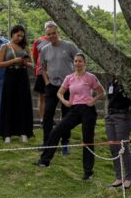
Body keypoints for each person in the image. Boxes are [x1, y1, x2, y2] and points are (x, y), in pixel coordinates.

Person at [34, 53, 103, 179]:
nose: (77, 63)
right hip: (74, 109)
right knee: (56, 131)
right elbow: (60, 93)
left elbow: (101, 92)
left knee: (87, 140)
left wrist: (93, 101)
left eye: (80, 61)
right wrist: (65, 102)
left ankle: (88, 173)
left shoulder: (90, 77)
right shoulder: (69, 78)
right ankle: (44, 161)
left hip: (87, 110)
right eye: (75, 61)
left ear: (85, 63)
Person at [39, 22, 78, 155]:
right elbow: (42, 68)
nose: (52, 36)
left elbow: (80, 61)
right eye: (49, 34)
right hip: (52, 86)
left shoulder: (69, 46)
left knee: (66, 115)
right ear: (46, 35)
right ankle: (46, 143)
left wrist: (76, 79)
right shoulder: (44, 50)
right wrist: (47, 82)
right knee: (48, 114)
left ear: (58, 32)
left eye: (54, 33)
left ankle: (65, 143)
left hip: (68, 87)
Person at [0, 24, 34, 143]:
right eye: (18, 35)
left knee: (23, 103)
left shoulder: (26, 47)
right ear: (12, 34)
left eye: (22, 36)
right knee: (9, 103)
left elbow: (32, 64)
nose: (20, 38)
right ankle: (7, 133)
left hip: (22, 76)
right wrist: (14, 61)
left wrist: (24, 62)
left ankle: (24, 132)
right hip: (10, 76)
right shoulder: (5, 46)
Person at [104, 75, 131, 189]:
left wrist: (130, 114)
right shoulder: (111, 82)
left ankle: (128, 178)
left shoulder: (128, 81)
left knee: (123, 146)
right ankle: (119, 177)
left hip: (122, 115)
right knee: (113, 147)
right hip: (110, 116)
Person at [32, 24, 51, 125]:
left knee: (52, 97)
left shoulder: (57, 40)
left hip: (54, 72)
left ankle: (49, 118)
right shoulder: (38, 41)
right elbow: (34, 56)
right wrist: (38, 66)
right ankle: (42, 119)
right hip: (41, 72)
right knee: (42, 96)